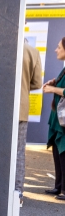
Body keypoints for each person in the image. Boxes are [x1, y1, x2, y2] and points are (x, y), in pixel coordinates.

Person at [16, 38, 42, 205]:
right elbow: (37, 83)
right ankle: (17, 194)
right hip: (21, 109)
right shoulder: (32, 51)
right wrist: (23, 87)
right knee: (18, 154)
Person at [43, 37, 65, 201]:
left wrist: (52, 89)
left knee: (64, 153)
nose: (56, 50)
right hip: (59, 119)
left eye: (59, 47)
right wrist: (54, 83)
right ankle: (59, 186)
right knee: (58, 153)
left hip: (63, 121)